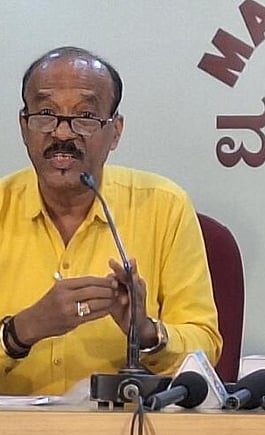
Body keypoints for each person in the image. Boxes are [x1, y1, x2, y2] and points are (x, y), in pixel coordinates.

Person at [0, 46, 222, 395]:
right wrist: (19, 332)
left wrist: (146, 333)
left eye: (85, 116)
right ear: (24, 126)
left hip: (127, 434)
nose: (62, 133)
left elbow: (205, 348)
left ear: (115, 131)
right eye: (45, 113)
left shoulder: (163, 206)